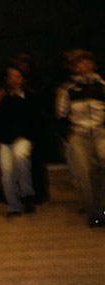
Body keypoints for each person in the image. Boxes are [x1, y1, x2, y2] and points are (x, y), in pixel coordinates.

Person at [55, 49, 105, 227]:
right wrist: (68, 136)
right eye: (79, 63)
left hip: (101, 132)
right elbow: (60, 116)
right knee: (84, 175)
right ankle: (94, 214)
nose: (83, 65)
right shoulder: (67, 90)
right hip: (79, 135)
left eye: (86, 61)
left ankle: (103, 207)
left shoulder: (102, 85)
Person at [0, 66, 41, 216]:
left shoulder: (30, 97)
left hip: (23, 137)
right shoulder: (2, 96)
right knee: (6, 172)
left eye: (17, 76)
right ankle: (14, 205)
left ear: (23, 79)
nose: (14, 80)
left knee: (21, 158)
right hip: (5, 139)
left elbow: (36, 119)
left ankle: (27, 194)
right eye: (11, 76)